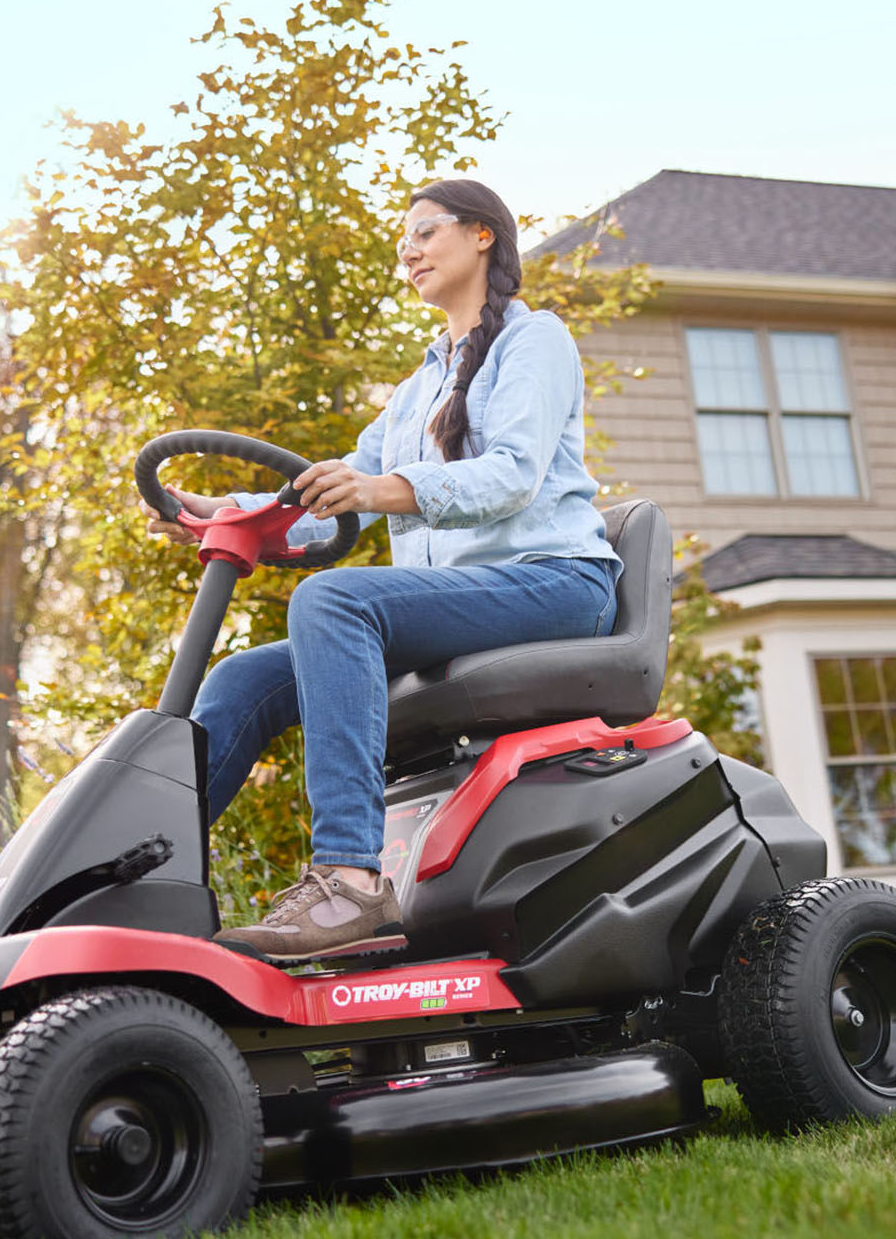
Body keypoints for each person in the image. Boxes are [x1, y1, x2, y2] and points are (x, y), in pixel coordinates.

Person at [141, 178, 621, 962]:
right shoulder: (414, 393)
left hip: (554, 583)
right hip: (464, 605)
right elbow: (318, 495)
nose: (409, 251)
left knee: (334, 601)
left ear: (483, 237)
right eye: (404, 241)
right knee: (242, 679)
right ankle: (131, 870)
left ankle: (350, 880)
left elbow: (512, 476)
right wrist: (214, 510)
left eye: (425, 232)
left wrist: (382, 489)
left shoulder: (535, 343)